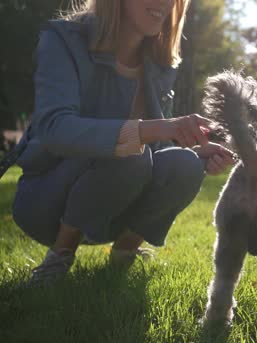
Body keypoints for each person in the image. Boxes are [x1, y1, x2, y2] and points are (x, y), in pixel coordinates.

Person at [10, 0, 235, 285]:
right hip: (47, 203)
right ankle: (58, 257)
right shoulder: (63, 40)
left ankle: (124, 252)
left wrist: (196, 150)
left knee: (185, 164)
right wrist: (155, 128)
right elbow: (54, 127)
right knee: (131, 153)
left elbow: (153, 149)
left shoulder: (158, 62)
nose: (166, 3)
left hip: (113, 204)